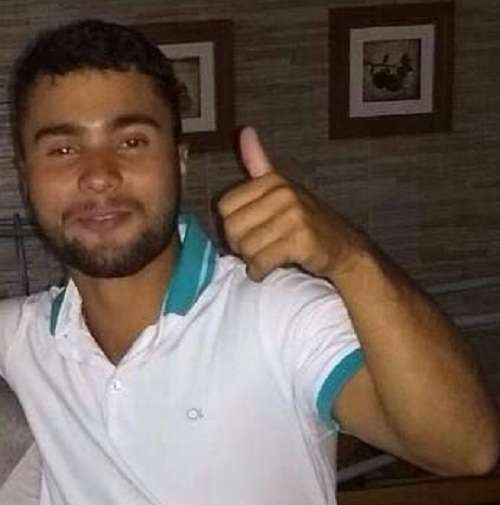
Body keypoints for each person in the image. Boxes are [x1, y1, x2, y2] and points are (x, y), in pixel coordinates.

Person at [0, 18, 497, 505]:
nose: (98, 176)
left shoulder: (281, 314)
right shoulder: (22, 338)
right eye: (62, 149)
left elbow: (463, 449)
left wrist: (349, 259)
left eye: (131, 141)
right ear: (26, 177)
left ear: (179, 160)